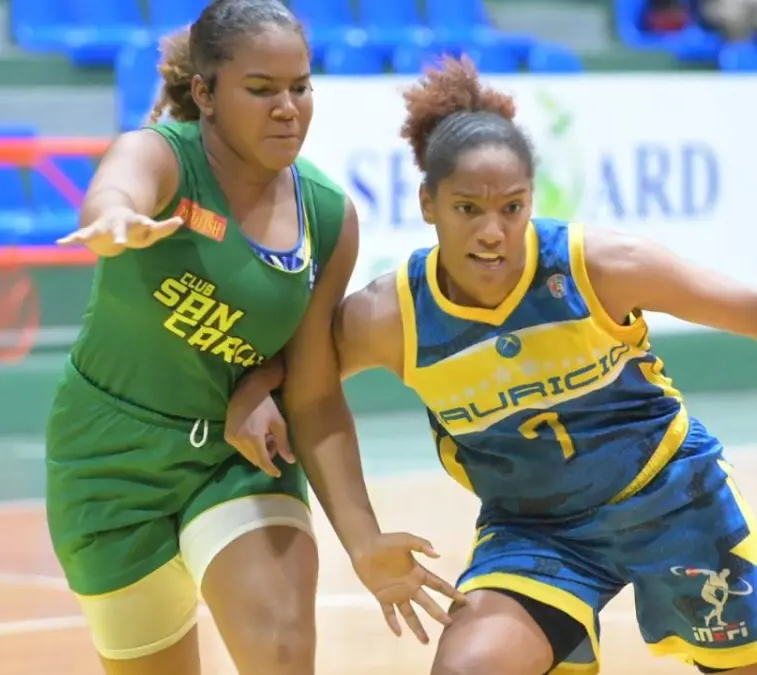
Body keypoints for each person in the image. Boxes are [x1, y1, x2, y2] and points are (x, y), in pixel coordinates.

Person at [331, 56, 757, 674]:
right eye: (468, 209)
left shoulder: (596, 267)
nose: (493, 231)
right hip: (535, 529)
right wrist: (354, 527)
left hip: (673, 499)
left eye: (513, 208)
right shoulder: (390, 315)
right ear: (428, 203)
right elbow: (303, 395)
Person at [46, 1, 461, 673]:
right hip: (108, 457)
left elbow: (315, 390)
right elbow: (118, 186)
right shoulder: (163, 156)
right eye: (262, 90)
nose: (288, 107)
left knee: (281, 652)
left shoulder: (327, 216)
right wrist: (114, 217)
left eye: (301, 87)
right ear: (206, 94)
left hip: (235, 459)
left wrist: (363, 540)